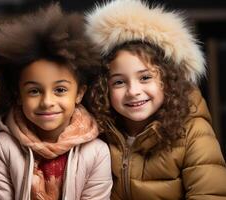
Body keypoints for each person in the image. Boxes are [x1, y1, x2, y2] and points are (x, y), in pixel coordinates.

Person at [85, 0, 226, 199]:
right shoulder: (99, 131)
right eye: (118, 82)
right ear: (103, 88)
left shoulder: (193, 132)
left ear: (168, 81)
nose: (133, 91)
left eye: (145, 78)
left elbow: (211, 194)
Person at [0, 4, 112, 200]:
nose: (47, 102)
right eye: (34, 91)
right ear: (18, 94)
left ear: (79, 93)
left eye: (60, 90)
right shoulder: (1, 147)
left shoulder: (97, 153)